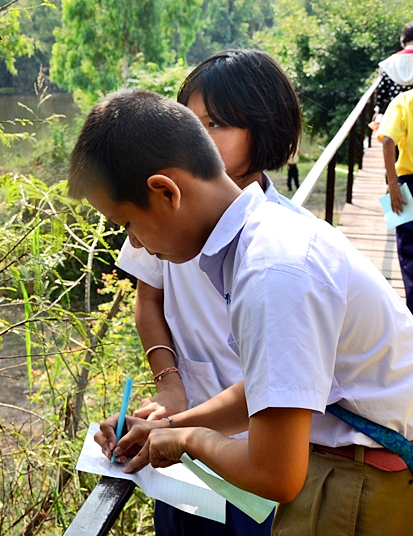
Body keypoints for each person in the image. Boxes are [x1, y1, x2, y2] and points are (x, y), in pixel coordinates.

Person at [69, 89, 413, 535]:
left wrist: (188, 439)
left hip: (365, 483)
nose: (134, 244)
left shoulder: (272, 270)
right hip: (358, 470)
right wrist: (169, 424)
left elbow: (276, 475)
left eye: (128, 224)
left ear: (165, 191)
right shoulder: (262, 240)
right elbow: (266, 386)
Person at [115, 50, 306, 535]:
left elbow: (276, 387)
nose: (200, 139)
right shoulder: (161, 209)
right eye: (191, 123)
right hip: (182, 440)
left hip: (254, 448)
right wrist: (169, 384)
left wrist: (183, 427)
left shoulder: (281, 246)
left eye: (217, 124)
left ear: (263, 130)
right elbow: (149, 300)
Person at [378, 88, 413, 313]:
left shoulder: (404, 100)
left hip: (407, 184)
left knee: (410, 252)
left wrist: (392, 185)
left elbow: (388, 140)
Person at [375, 21, 413, 120]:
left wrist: (378, 109)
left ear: (404, 39)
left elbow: (382, 90)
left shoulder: (389, 62)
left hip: (393, 115)